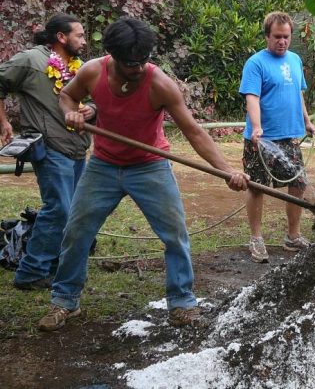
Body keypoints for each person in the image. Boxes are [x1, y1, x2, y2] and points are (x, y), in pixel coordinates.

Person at [37, 17, 249, 331]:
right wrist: (70, 111)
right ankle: (65, 300)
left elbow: (193, 131)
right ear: (112, 55)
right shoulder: (93, 71)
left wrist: (227, 170)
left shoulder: (160, 84)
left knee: (175, 235)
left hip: (150, 165)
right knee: (77, 230)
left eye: (142, 62)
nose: (137, 69)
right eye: (129, 64)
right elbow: (67, 96)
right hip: (104, 165)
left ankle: (181, 302)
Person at [0, 14, 95, 290]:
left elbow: (92, 99)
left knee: (74, 210)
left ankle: (55, 266)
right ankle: (30, 272)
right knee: (59, 209)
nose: (84, 40)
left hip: (78, 147)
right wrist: (4, 121)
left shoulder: (79, 66)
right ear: (61, 37)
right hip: (50, 147)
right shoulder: (31, 60)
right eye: (79, 35)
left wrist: (92, 110)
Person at [239, 11, 315, 263]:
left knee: (299, 184)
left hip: (290, 137)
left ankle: (293, 236)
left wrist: (306, 121)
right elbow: (252, 97)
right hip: (261, 140)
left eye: (286, 37)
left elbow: (298, 93)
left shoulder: (294, 60)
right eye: (277, 37)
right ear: (267, 36)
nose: (282, 41)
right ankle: (256, 239)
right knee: (257, 187)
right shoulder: (256, 63)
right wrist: (257, 127)